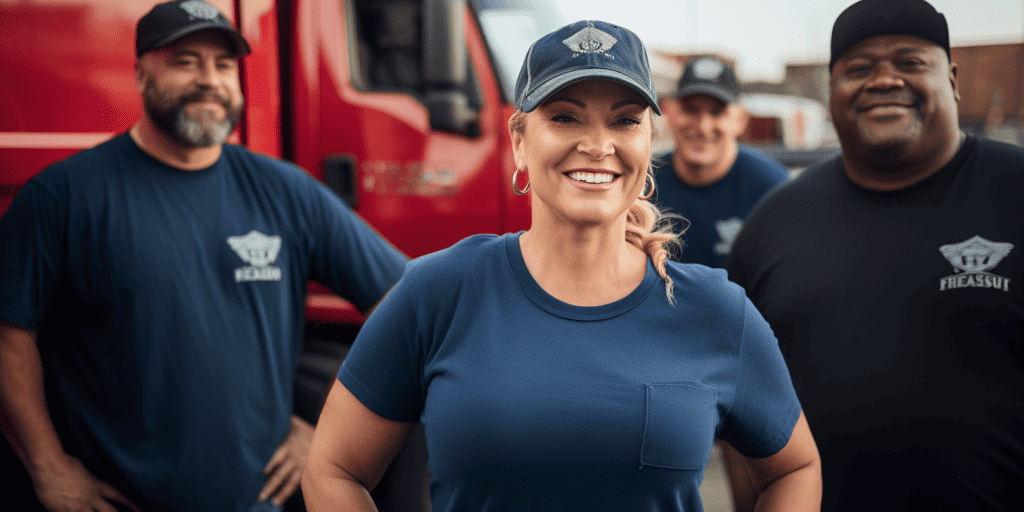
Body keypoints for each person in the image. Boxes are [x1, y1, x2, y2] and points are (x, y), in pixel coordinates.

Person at [301, 20, 820, 512]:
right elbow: (332, 470)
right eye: (565, 116)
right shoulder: (440, 291)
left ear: (647, 145)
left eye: (625, 120)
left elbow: (794, 467)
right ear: (520, 143)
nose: (597, 145)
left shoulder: (714, 309)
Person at [0, 1, 407, 511]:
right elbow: (10, 336)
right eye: (185, 62)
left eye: (223, 65)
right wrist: (46, 464)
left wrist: (334, 435)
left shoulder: (286, 192)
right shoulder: (64, 196)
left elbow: (407, 306)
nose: (209, 80)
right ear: (140, 74)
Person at [724, 0, 1024, 510]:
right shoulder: (773, 224)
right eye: (858, 68)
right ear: (831, 88)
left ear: (951, 79)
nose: (883, 80)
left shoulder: (1014, 190)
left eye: (909, 62)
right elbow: (738, 401)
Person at [654, 56, 789, 268]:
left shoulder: (773, 190)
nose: (703, 127)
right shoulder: (641, 186)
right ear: (669, 112)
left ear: (740, 120)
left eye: (717, 112)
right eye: (690, 109)